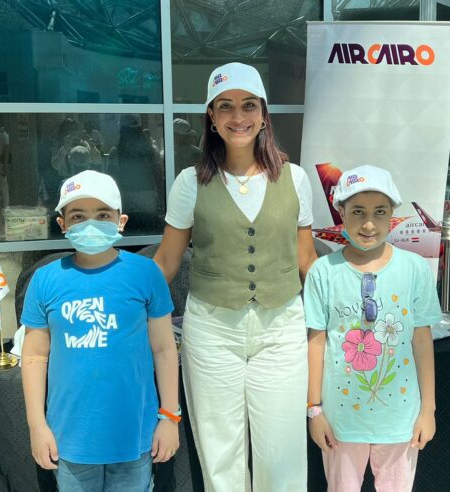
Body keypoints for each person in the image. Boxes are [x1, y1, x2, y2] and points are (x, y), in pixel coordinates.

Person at [153, 62, 317, 491]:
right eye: (225, 106)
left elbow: (307, 260)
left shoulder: (296, 178)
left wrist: (345, 301)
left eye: (248, 105)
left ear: (263, 113)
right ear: (211, 115)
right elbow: (167, 261)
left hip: (281, 328)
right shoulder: (190, 182)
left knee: (281, 453)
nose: (237, 116)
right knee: (220, 452)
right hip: (212, 330)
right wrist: (120, 297)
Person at [20, 170, 180, 491]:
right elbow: (34, 356)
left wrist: (170, 418)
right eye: (78, 216)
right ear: (63, 224)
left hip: (135, 435)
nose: (91, 223)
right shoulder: (45, 280)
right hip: (70, 439)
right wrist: (37, 426)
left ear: (121, 221)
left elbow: (164, 349)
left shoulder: (145, 274)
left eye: (103, 214)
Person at [304, 165, 439, 492]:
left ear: (392, 214)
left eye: (379, 212)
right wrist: (314, 410)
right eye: (358, 212)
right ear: (341, 213)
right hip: (340, 420)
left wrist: (428, 409)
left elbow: (422, 341)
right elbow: (316, 342)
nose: (368, 224)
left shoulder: (415, 268)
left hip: (400, 419)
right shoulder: (323, 272)